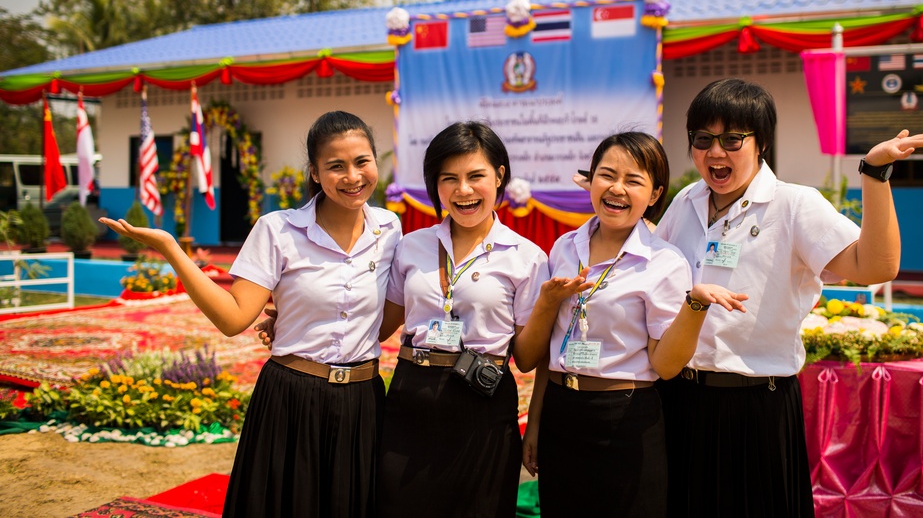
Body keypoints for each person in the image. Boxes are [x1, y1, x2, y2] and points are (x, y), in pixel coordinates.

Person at [653, 78, 923, 517]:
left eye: (733, 139)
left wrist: (874, 173)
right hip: (681, 400)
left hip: (758, 406)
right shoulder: (685, 202)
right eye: (703, 139)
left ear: (762, 143)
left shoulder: (794, 205)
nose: (716, 152)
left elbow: (875, 267)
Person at [101, 111, 401, 518]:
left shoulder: (390, 228)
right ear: (314, 172)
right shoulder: (277, 230)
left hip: (363, 400)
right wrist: (172, 248)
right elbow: (233, 318)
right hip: (293, 398)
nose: (352, 176)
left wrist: (296, 316)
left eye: (362, 161)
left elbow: (384, 318)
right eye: (336, 166)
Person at [517, 132, 748, 517]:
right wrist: (536, 422)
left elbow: (666, 364)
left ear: (655, 194)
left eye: (633, 181)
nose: (616, 189)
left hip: (624, 417)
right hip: (561, 411)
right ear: (590, 180)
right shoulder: (563, 248)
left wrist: (694, 305)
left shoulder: (664, 262)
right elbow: (549, 351)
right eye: (607, 175)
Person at [376, 121, 549, 518]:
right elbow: (381, 324)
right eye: (449, 178)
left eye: (476, 176)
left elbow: (527, 358)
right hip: (410, 400)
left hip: (483, 404)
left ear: (500, 176)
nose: (463, 190)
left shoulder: (526, 257)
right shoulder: (411, 246)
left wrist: (549, 304)